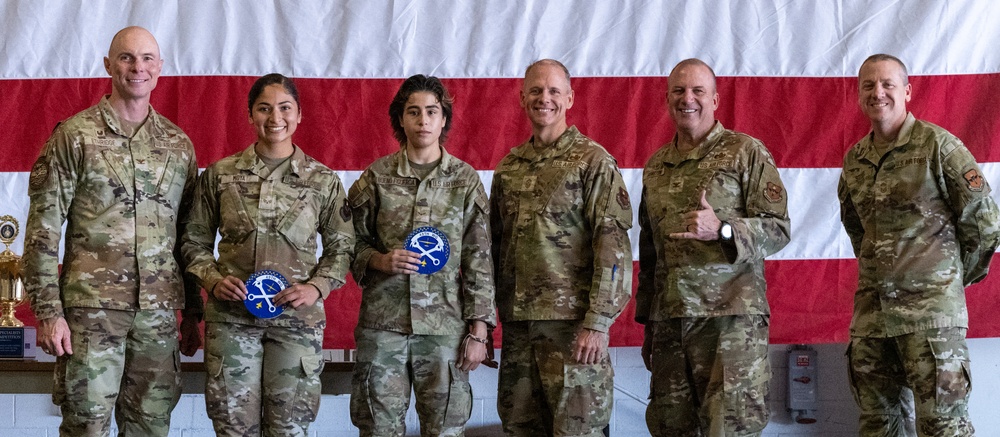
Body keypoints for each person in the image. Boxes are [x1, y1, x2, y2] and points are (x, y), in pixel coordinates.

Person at [21, 26, 202, 436]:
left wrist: (192, 312)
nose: (137, 67)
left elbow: (189, 236)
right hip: (91, 314)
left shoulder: (178, 145)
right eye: (126, 57)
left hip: (157, 317)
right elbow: (43, 230)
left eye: (147, 59)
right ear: (108, 65)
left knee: (151, 428)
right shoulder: (75, 136)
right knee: (87, 426)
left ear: (160, 68)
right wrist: (49, 313)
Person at [181, 73, 355, 436]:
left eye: (284, 108)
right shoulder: (220, 176)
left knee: (289, 427)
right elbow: (192, 242)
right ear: (250, 115)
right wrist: (213, 281)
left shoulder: (322, 181)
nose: (275, 118)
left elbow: (343, 247)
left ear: (299, 115)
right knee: (233, 428)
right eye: (264, 108)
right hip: (232, 320)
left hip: (296, 323)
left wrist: (317, 287)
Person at [838, 54, 1000, 436]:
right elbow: (857, 229)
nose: (878, 92)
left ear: (907, 91)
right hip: (872, 320)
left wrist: (949, 279)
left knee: (944, 427)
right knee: (879, 427)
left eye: (887, 84)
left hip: (931, 321)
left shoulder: (938, 147)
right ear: (860, 95)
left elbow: (985, 222)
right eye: (868, 85)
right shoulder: (855, 160)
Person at [634, 58, 790, 436]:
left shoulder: (745, 152)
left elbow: (779, 228)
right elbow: (650, 251)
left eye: (697, 91)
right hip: (672, 325)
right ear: (668, 98)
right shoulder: (657, 166)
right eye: (679, 91)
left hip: (730, 326)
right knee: (670, 428)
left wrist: (722, 229)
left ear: (716, 99)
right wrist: (649, 325)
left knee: (729, 429)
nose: (688, 99)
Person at [347, 74, 496, 437]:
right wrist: (380, 260)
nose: (423, 120)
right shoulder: (376, 178)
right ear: (401, 119)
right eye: (413, 112)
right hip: (384, 328)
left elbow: (479, 257)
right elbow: (347, 244)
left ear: (444, 119)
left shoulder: (464, 180)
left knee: (445, 429)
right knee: (379, 429)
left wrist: (479, 330)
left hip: (444, 328)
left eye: (432, 111)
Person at [490, 59, 633, 437]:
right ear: (522, 98)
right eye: (536, 91)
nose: (545, 99)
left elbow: (613, 247)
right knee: (520, 428)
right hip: (520, 331)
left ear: (569, 98)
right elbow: (492, 249)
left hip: (574, 334)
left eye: (554, 91)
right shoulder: (509, 168)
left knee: (577, 431)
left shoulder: (593, 161)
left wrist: (598, 323)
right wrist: (484, 320)